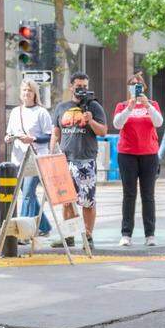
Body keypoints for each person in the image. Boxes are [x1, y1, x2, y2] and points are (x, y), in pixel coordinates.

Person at [51, 72, 107, 248]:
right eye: (78, 87)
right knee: (67, 200)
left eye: (85, 86)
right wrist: (51, 153)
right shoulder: (61, 107)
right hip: (64, 160)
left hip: (85, 160)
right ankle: (69, 236)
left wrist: (90, 120)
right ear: (71, 87)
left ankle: (88, 237)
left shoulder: (94, 106)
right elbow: (56, 133)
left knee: (87, 201)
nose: (82, 90)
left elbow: (103, 131)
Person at [112, 74, 163, 246]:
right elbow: (117, 124)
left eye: (139, 84)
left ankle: (150, 235)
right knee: (129, 194)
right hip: (127, 154)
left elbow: (158, 122)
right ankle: (126, 234)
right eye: (133, 84)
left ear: (144, 87)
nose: (136, 86)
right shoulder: (122, 105)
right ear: (129, 88)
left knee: (148, 195)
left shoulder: (153, 105)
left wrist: (147, 105)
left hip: (149, 154)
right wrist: (129, 108)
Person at [5, 79, 53, 237]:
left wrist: (32, 139)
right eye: (24, 90)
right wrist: (9, 137)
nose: (26, 93)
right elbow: (10, 132)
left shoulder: (41, 112)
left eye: (30, 91)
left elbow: (49, 136)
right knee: (28, 195)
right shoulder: (15, 112)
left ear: (35, 94)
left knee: (27, 194)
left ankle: (22, 232)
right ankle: (44, 226)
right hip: (18, 158)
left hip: (35, 158)